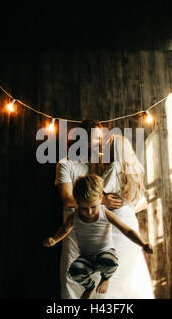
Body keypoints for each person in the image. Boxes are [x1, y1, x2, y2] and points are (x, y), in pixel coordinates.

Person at [43, 174, 153, 299]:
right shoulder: (74, 216)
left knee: (111, 262)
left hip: (104, 253)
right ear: (77, 202)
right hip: (87, 258)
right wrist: (54, 239)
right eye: (84, 208)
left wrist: (143, 244)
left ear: (101, 199)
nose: (89, 212)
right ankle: (89, 287)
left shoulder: (104, 213)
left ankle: (105, 278)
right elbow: (64, 230)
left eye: (93, 207)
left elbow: (127, 230)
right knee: (74, 271)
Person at [55, 119, 124, 299]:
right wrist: (102, 202)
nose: (99, 143)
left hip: (100, 223)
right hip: (74, 222)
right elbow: (67, 198)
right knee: (72, 269)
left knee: (104, 266)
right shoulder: (65, 163)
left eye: (100, 139)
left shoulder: (101, 161)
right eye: (94, 139)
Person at [92, 134, 155, 299]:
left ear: (113, 150)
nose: (102, 149)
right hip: (129, 220)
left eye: (106, 146)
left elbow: (95, 197)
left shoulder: (114, 167)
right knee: (127, 271)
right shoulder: (134, 170)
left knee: (107, 272)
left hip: (115, 224)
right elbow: (141, 201)